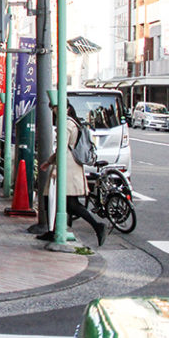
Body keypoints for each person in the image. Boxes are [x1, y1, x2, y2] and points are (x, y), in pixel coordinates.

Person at [38, 100, 106, 246]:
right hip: (68, 166)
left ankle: (95, 226)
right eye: (53, 108)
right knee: (62, 201)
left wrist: (55, 168)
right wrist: (49, 162)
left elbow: (62, 148)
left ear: (66, 109)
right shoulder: (70, 122)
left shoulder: (67, 124)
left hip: (67, 167)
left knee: (66, 202)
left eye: (56, 108)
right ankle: (54, 231)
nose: (54, 112)